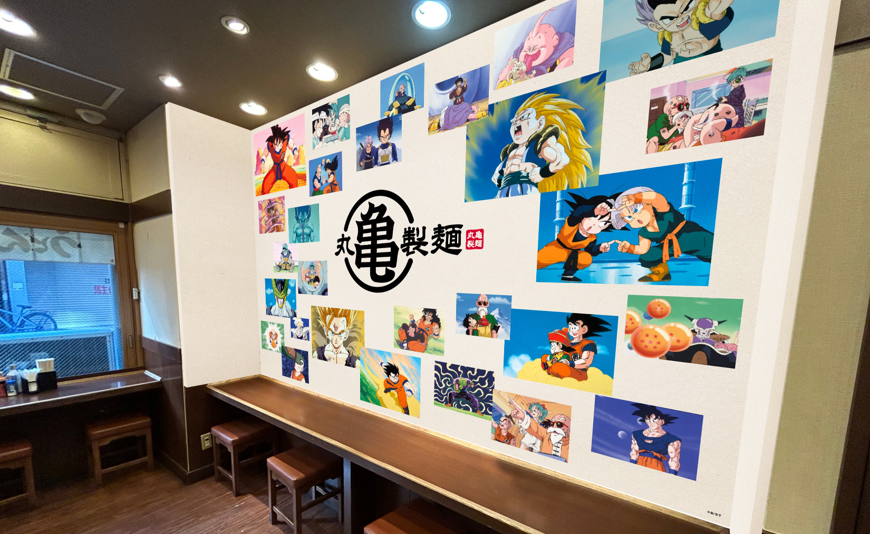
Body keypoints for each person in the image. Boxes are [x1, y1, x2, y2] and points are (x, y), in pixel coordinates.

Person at [491, 92, 591, 198]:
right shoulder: (510, 151)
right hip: (503, 191)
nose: (516, 122)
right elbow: (495, 175)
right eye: (514, 121)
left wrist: (542, 173)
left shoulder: (538, 145)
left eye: (523, 117)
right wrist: (500, 179)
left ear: (540, 123)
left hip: (525, 187)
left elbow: (563, 159)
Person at [606, 187, 714, 282]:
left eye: (637, 210)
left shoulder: (662, 212)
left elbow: (657, 198)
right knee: (647, 256)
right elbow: (643, 249)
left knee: (712, 252)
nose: (635, 217)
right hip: (670, 246)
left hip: (693, 236)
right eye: (629, 218)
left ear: (648, 204)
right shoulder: (643, 233)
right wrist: (629, 248)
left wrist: (636, 198)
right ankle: (662, 273)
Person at [629, 0, 736, 75]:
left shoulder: (703, 17)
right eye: (670, 19)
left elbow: (717, 9)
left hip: (711, 62)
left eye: (687, 8)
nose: (681, 18)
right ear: (656, 26)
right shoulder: (668, 36)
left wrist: (715, 9)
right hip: (681, 69)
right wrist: (649, 65)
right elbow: (668, 55)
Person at [536, 193, 617, 282]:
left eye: (602, 224)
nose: (594, 224)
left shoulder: (592, 237)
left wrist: (600, 248)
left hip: (572, 254)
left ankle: (568, 275)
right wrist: (595, 210)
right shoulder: (573, 223)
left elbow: (590, 250)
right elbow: (579, 212)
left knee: (587, 258)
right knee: (537, 261)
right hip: (556, 248)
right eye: (592, 218)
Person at [495, 7, 574, 88]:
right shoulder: (516, 57)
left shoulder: (566, 48)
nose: (530, 49)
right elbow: (500, 84)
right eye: (529, 39)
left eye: (539, 38)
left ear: (555, 40)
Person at [629, 403, 681, 475]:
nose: (651, 423)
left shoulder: (671, 439)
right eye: (648, 419)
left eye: (655, 419)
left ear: (662, 421)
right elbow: (633, 454)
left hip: (656, 469)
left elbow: (674, 461)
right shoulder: (637, 434)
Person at [261, 125, 301, 194]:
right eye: (275, 144)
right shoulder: (270, 144)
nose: (277, 146)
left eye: (279, 143)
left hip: (284, 167)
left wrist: (295, 152)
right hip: (274, 170)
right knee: (265, 184)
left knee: (293, 177)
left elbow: (292, 145)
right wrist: (262, 162)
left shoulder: (286, 139)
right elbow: (265, 154)